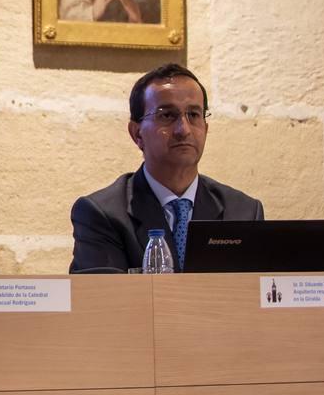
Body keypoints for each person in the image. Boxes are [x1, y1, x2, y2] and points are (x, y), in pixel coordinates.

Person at [69, 63, 264, 273]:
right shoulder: (101, 214)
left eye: (194, 115)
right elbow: (103, 301)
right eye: (167, 116)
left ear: (205, 129)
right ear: (137, 133)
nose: (184, 129)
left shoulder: (243, 212)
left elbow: (256, 298)